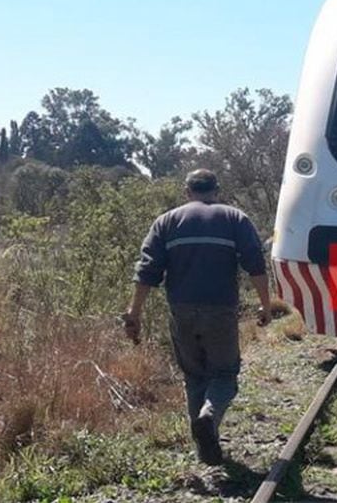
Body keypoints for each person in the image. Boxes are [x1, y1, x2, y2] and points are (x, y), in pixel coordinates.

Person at [123, 169, 271, 465]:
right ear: (216, 190)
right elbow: (255, 265)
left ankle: (205, 447)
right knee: (225, 375)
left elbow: (147, 271)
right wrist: (265, 305)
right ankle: (209, 417)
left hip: (181, 310)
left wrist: (134, 312)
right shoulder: (234, 218)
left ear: (186, 191)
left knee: (194, 377)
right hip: (221, 309)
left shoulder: (166, 221)